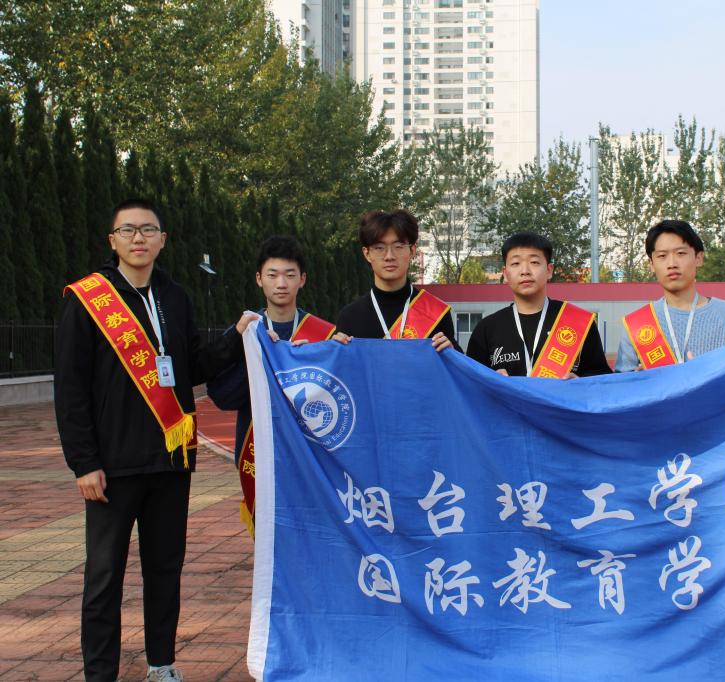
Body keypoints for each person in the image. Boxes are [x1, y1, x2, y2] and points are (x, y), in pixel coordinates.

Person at [54, 198, 257, 682]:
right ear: (113, 241)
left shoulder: (175, 297)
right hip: (112, 465)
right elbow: (71, 388)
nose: (138, 238)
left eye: (148, 230)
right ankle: (100, 672)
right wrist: (84, 462)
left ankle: (161, 664)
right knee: (104, 575)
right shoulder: (88, 300)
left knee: (164, 570)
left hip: (170, 461)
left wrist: (237, 335)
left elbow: (193, 366)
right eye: (128, 230)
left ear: (163, 240)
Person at [206, 235, 336, 537]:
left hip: (310, 458)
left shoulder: (324, 335)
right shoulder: (245, 332)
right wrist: (260, 360)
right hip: (259, 453)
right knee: (269, 544)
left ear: (302, 280)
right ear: (259, 279)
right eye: (272, 275)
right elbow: (222, 397)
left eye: (289, 275)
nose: (281, 283)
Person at [467, 232, 611, 378]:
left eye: (534, 262)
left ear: (549, 270)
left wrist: (578, 382)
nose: (525, 271)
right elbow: (469, 382)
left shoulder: (578, 322)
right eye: (515, 263)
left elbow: (602, 378)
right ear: (505, 273)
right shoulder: (486, 329)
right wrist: (490, 380)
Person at [616, 220, 725, 371]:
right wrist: (639, 379)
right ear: (651, 264)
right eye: (662, 256)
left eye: (680, 253)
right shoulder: (638, 325)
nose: (672, 263)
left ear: (698, 258)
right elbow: (620, 382)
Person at [333, 209, 457, 352]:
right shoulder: (350, 317)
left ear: (412, 251)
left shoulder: (435, 313)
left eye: (398, 247)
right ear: (367, 254)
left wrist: (452, 352)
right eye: (379, 248)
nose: (389, 256)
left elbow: (460, 364)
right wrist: (334, 352)